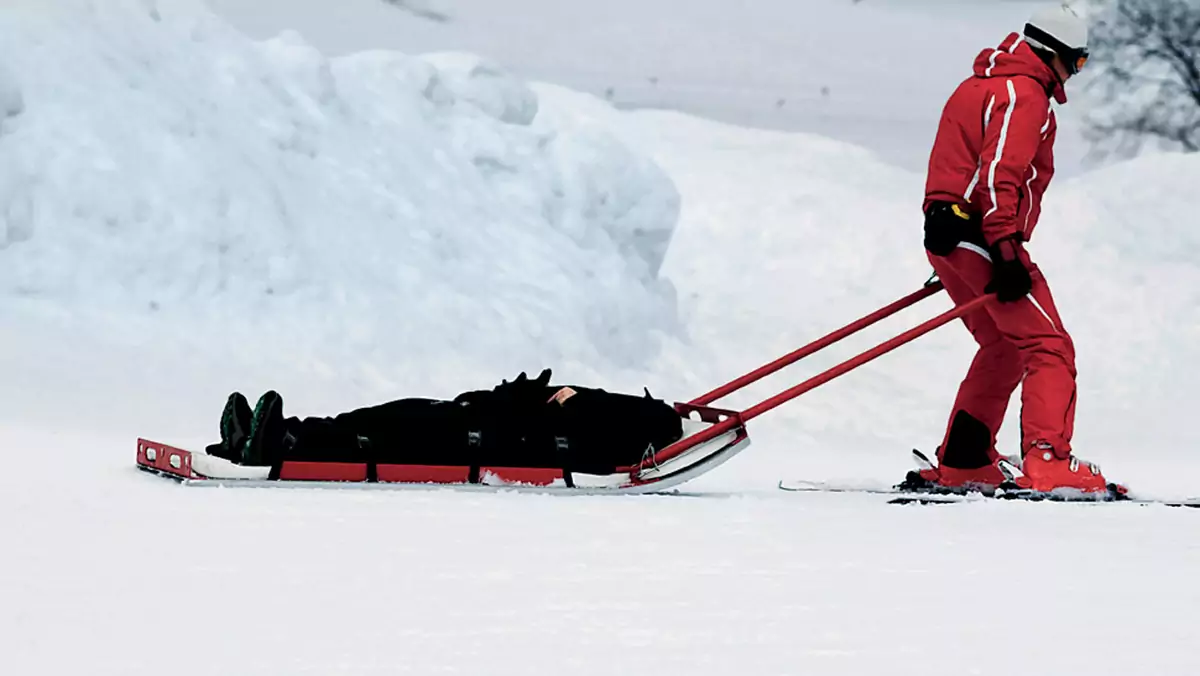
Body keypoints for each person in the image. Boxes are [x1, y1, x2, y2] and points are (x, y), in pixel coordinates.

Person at [915, 4, 1108, 494]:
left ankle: (964, 460)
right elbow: (1003, 173)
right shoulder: (1024, 93)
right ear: (1057, 53)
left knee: (1004, 344)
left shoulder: (979, 84)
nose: (1075, 73)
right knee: (1049, 346)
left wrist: (958, 253)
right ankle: (1048, 462)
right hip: (982, 236)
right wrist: (1004, 248)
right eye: (1079, 62)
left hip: (950, 234)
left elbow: (963, 170)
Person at [207, 369, 685, 476]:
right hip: (471, 418)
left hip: (483, 441)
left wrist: (565, 400)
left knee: (378, 438)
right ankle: (271, 434)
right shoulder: (609, 415)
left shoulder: (638, 429)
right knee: (377, 417)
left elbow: (657, 419)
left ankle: (278, 443)